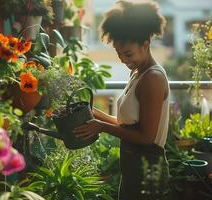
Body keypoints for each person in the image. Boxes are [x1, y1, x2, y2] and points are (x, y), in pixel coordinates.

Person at [74, 0, 170, 199]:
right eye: (118, 53)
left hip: (148, 170)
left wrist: (101, 127)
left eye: (128, 53)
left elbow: (146, 137)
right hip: (134, 166)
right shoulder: (138, 73)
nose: (123, 59)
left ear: (146, 44)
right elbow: (125, 125)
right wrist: (93, 114)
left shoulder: (152, 78)